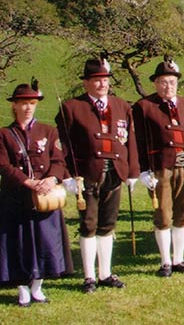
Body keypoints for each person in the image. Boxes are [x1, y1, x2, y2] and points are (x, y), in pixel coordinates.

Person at [57, 56, 139, 294]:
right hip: (87, 175)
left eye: (104, 79)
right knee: (89, 224)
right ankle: (89, 276)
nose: (102, 84)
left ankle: (105, 273)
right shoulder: (72, 108)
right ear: (86, 83)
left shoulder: (122, 106)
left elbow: (130, 141)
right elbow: (64, 145)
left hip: (115, 172)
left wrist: (132, 172)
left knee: (108, 224)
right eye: (96, 80)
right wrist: (68, 175)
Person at [0, 81, 73, 306]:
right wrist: (28, 182)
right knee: (18, 244)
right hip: (16, 198)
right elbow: (3, 165)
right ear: (15, 106)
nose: (28, 108)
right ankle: (22, 288)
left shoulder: (49, 131)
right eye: (23, 103)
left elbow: (59, 160)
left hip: (45, 198)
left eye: (31, 103)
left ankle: (37, 286)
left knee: (45, 243)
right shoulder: (3, 134)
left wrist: (51, 179)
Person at [132, 58, 184, 277]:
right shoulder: (144, 107)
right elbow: (139, 142)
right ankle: (165, 261)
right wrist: (143, 170)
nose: (168, 86)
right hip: (160, 167)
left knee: (183, 212)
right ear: (156, 83)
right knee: (163, 214)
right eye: (163, 82)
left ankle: (179, 259)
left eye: (172, 82)